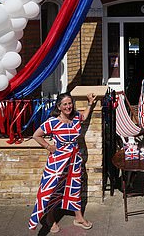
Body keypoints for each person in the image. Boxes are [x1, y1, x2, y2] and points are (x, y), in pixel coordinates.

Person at [29, 92, 97, 233]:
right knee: (52, 189)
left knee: (75, 187)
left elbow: (84, 116)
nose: (68, 106)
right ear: (59, 107)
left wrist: (90, 103)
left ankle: (78, 217)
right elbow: (36, 135)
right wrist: (49, 146)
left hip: (74, 161)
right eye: (65, 104)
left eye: (70, 103)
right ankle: (49, 218)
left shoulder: (76, 117)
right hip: (58, 162)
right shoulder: (52, 122)